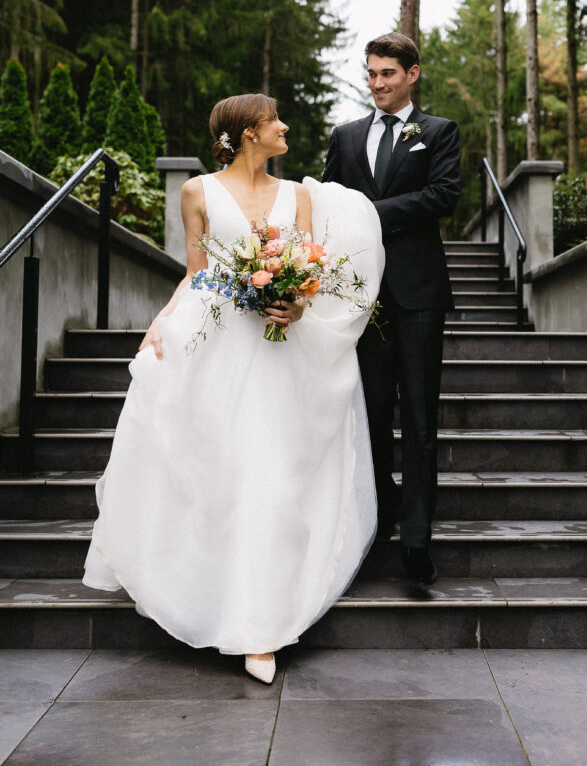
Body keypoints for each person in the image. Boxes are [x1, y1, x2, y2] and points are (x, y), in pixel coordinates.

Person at [83, 93, 384, 683]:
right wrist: (161, 322)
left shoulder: (297, 195)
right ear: (249, 132)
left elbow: (305, 272)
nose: (285, 127)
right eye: (275, 120)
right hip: (213, 340)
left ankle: (261, 625)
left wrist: (295, 304)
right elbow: (196, 273)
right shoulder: (196, 191)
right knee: (214, 470)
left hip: (278, 353)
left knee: (269, 473)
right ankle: (204, 593)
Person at [322, 33, 461, 585]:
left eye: (387, 73)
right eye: (372, 73)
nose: (377, 82)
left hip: (418, 293)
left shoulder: (438, 133)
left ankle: (418, 534)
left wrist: (368, 213)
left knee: (422, 418)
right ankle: (378, 518)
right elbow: (329, 204)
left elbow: (442, 196)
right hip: (360, 300)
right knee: (371, 414)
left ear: (412, 74)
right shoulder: (346, 136)